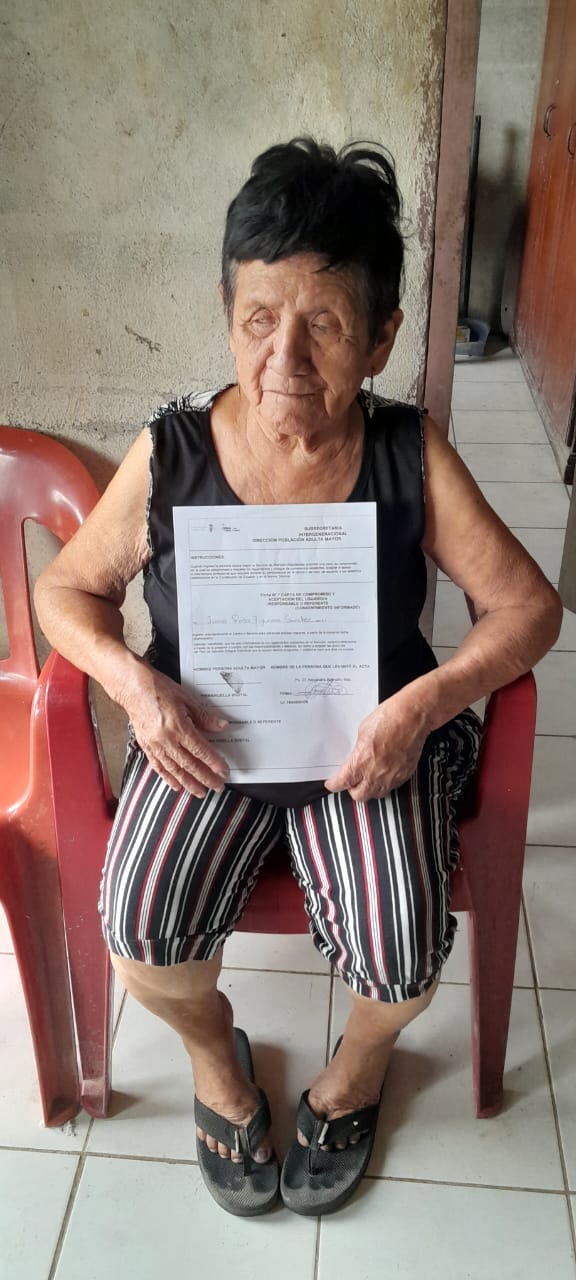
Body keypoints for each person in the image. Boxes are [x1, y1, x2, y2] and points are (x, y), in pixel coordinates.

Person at [35, 138, 562, 1218]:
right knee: (137, 927)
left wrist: (423, 706)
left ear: (382, 338)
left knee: (403, 949)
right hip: (206, 738)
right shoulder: (173, 452)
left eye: (323, 324)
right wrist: (134, 684)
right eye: (259, 318)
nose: (284, 359)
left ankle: (358, 1071)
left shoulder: (408, 453)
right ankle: (216, 1060)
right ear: (227, 314)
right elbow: (66, 592)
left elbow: (530, 608)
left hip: (368, 748)